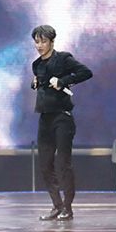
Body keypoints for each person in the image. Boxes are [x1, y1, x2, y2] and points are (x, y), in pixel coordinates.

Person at [31, 25, 92, 221]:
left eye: (43, 41)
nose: (39, 45)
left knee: (63, 163)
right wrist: (35, 84)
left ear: (52, 42)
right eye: (37, 42)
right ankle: (57, 205)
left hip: (62, 117)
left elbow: (86, 72)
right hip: (45, 117)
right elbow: (41, 83)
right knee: (45, 165)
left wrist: (63, 81)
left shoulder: (63, 58)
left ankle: (68, 207)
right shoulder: (36, 64)